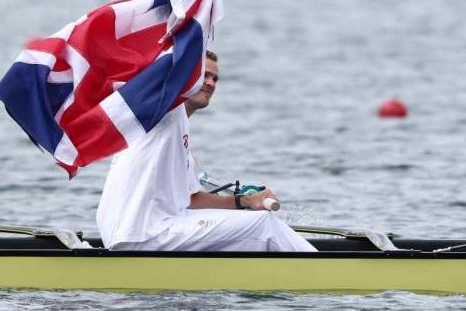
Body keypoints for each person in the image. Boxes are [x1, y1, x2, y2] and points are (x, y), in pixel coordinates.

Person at [96, 51, 315, 252]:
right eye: (204, 75)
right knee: (264, 224)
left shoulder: (179, 139)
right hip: (142, 234)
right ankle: (327, 270)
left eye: (215, 79)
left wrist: (245, 201)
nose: (210, 83)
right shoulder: (165, 112)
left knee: (251, 217)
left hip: (134, 233)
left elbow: (192, 200)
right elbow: (168, 61)